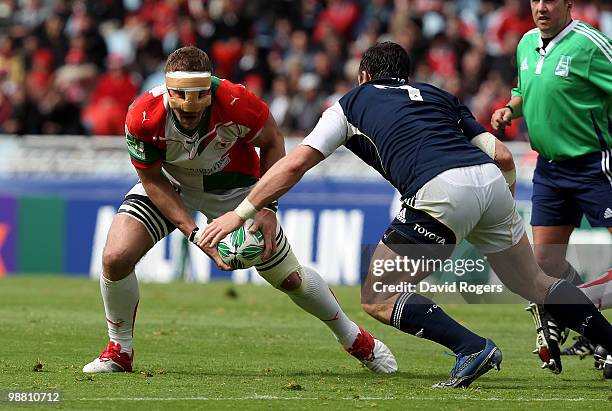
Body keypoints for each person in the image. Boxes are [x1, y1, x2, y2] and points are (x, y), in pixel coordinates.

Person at [202, 41, 612, 386]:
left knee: (377, 296)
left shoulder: (351, 103)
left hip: (439, 190)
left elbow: (293, 165)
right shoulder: (437, 95)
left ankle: (472, 348)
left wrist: (239, 214)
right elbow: (503, 154)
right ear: (406, 75)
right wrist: (498, 206)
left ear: (363, 75)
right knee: (537, 282)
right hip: (491, 182)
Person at [82, 46, 397, 375]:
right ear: (170, 93)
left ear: (208, 92)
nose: (190, 117)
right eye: (183, 110)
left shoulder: (236, 101)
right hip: (172, 184)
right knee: (114, 257)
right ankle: (119, 349)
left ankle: (354, 338)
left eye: (198, 107)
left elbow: (274, 141)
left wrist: (267, 207)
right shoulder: (141, 115)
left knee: (289, 279)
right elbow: (150, 178)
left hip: (235, 190)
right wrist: (195, 233)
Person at [490, 0, 611, 369]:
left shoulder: (591, 45)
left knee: (552, 287)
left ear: (568, 4)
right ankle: (597, 334)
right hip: (550, 170)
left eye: (551, 0)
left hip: (595, 166)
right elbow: (526, 89)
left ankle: (580, 308)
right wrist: (511, 107)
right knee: (543, 265)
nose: (541, 7)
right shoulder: (527, 43)